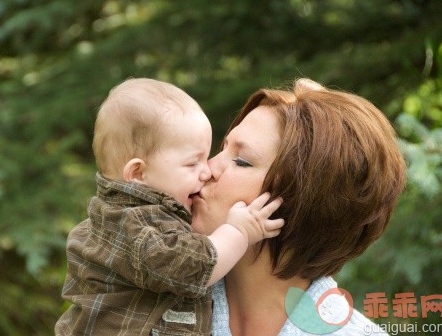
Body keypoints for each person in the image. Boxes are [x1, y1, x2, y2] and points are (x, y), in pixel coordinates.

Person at [55, 78, 284, 336]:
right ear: (138, 172)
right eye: (191, 164)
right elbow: (188, 269)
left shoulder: (133, 216)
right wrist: (238, 232)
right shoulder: (134, 224)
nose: (206, 170)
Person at [190, 78, 407, 336]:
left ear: (307, 201)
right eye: (222, 148)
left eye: (241, 161)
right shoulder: (150, 302)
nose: (206, 170)